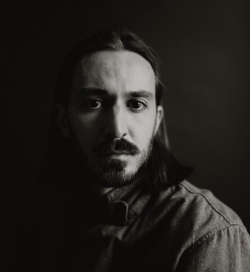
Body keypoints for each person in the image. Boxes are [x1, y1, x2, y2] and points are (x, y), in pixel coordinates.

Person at [39, 28, 250, 271]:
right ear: (64, 121)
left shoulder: (207, 234)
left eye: (136, 104)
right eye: (93, 103)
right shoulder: (49, 221)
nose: (117, 130)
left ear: (156, 121)